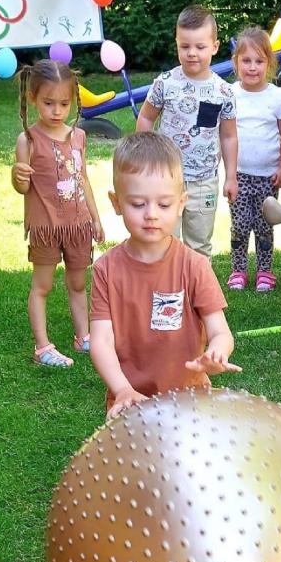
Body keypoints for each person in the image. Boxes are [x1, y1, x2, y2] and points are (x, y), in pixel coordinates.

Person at [90, 133, 240, 419]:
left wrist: (218, 352)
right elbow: (101, 341)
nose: (151, 215)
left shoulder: (194, 266)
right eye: (137, 204)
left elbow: (220, 331)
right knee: (133, 464)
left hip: (190, 401)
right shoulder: (105, 270)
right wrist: (122, 389)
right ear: (116, 202)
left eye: (164, 204)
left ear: (181, 202)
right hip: (130, 402)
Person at [11, 59, 104, 368]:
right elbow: (23, 189)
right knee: (43, 286)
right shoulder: (28, 140)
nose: (56, 110)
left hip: (78, 226)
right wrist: (17, 176)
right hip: (47, 227)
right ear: (32, 98)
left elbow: (83, 179)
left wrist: (96, 217)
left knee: (78, 284)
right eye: (48, 102)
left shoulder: (78, 136)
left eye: (64, 103)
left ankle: (84, 337)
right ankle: (42, 346)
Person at [136, 4, 237, 258]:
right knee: (166, 242)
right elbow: (146, 118)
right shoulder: (165, 83)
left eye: (200, 47)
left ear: (214, 46)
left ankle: (199, 296)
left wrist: (231, 176)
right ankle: (167, 293)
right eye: (185, 46)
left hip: (204, 182)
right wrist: (145, 156)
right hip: (165, 179)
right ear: (177, 44)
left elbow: (229, 135)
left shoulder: (223, 92)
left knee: (199, 246)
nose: (192, 53)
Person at [228, 27, 281, 292]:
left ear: (269, 63)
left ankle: (265, 271)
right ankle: (238, 270)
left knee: (265, 225)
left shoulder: (276, 96)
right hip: (239, 174)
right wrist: (229, 175)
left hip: (268, 177)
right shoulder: (230, 93)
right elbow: (225, 133)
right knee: (240, 226)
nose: (252, 67)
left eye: (259, 61)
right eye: (246, 61)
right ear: (236, 63)